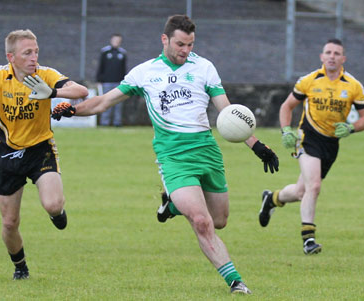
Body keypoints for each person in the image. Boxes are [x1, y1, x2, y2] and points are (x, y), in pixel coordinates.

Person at [52, 15, 279, 295]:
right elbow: (103, 102)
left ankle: (171, 205)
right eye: (181, 44)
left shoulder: (204, 67)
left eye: (190, 44)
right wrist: (73, 109)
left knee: (219, 220)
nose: (186, 50)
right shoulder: (145, 73)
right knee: (201, 221)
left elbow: (228, 112)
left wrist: (258, 146)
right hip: (173, 156)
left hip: (207, 152)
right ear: (165, 40)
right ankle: (235, 282)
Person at [0, 30, 88, 279]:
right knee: (10, 223)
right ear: (11, 56)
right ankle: (20, 267)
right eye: (27, 53)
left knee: (53, 204)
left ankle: (57, 213)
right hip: (8, 154)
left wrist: (52, 93)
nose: (34, 57)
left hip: (40, 149)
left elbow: (81, 91)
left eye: (36, 51)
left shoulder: (46, 75)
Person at [259, 38, 364, 255]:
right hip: (308, 138)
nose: (332, 56)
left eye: (337, 53)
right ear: (321, 56)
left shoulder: (353, 86)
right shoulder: (309, 81)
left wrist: (351, 128)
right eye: (328, 52)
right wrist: (286, 131)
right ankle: (308, 239)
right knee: (314, 186)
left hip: (331, 144)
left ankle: (272, 199)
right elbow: (287, 106)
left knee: (302, 191)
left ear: (343, 58)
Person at [96, 33, 127, 126]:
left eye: (118, 40)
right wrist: (99, 80)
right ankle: (104, 122)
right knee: (106, 102)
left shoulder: (122, 53)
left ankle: (117, 122)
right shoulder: (105, 52)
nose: (116, 42)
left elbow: (124, 69)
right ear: (111, 40)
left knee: (118, 104)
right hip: (107, 82)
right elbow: (100, 66)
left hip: (118, 83)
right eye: (115, 40)